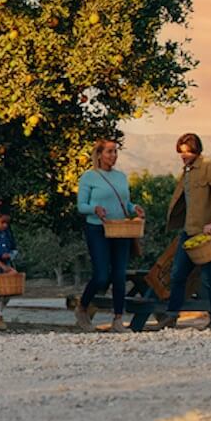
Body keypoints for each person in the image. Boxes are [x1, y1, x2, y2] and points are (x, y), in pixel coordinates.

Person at [158, 132, 211, 330]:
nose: (184, 155)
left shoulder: (210, 168)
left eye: (188, 152)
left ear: (197, 150)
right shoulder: (187, 171)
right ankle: (171, 315)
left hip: (209, 233)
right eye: (181, 152)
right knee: (177, 274)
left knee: (209, 277)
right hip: (189, 231)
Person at [74, 138, 143, 332]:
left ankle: (118, 320)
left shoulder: (121, 177)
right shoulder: (89, 177)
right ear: (99, 154)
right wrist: (94, 208)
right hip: (97, 229)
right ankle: (82, 307)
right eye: (109, 152)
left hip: (121, 229)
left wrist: (134, 208)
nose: (113, 155)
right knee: (102, 276)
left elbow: (125, 204)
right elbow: (81, 206)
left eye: (115, 151)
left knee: (119, 275)